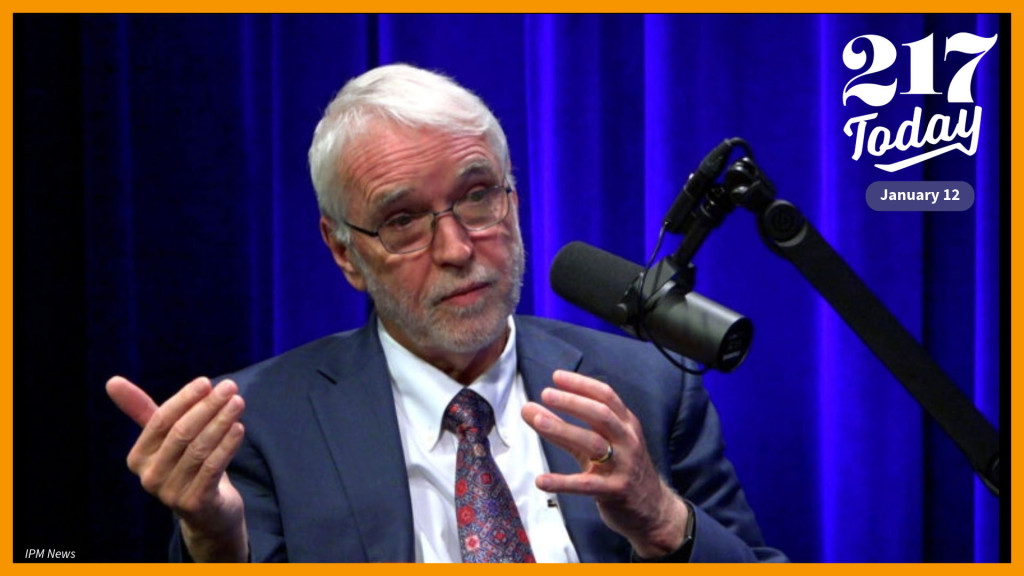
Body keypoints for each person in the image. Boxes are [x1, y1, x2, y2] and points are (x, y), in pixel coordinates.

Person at [106, 63, 786, 563]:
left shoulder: (649, 390)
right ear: (344, 252)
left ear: (514, 204)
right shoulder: (259, 427)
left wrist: (665, 519)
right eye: (402, 220)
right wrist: (215, 541)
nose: (459, 248)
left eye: (478, 196)